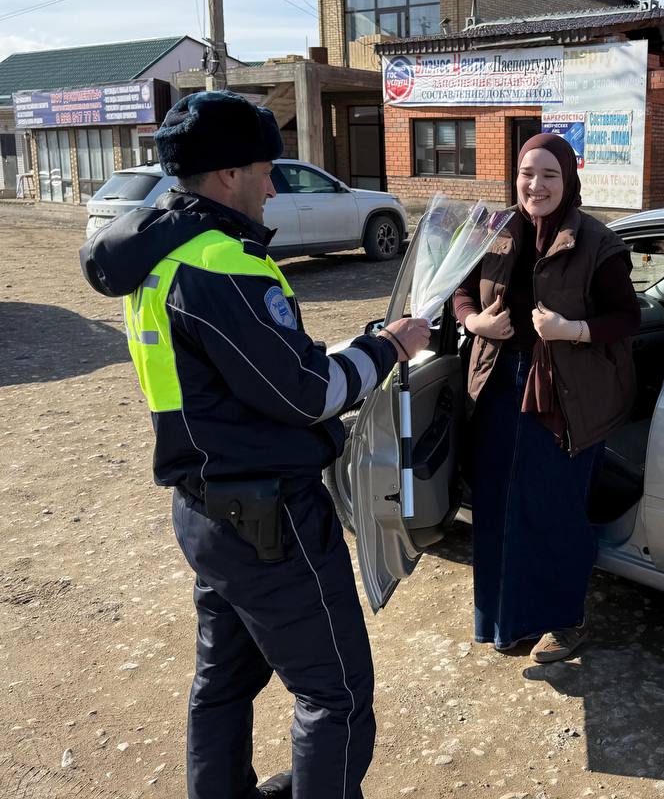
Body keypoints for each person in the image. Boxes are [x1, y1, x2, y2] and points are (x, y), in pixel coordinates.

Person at [79, 90, 429, 799]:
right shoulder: (223, 264)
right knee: (336, 695)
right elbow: (307, 393)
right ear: (227, 175)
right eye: (265, 169)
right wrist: (387, 346)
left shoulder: (162, 253)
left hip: (206, 510)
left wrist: (327, 354)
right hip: (271, 521)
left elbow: (244, 375)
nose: (273, 186)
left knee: (223, 685)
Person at [454, 133, 639, 663]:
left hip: (566, 398)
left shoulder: (596, 242)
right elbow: (459, 292)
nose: (535, 185)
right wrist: (475, 320)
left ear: (568, 179)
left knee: (553, 511)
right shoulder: (494, 232)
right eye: (526, 174)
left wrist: (570, 330)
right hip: (495, 390)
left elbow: (626, 318)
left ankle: (564, 622)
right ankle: (506, 622)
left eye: (549, 175)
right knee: (497, 508)